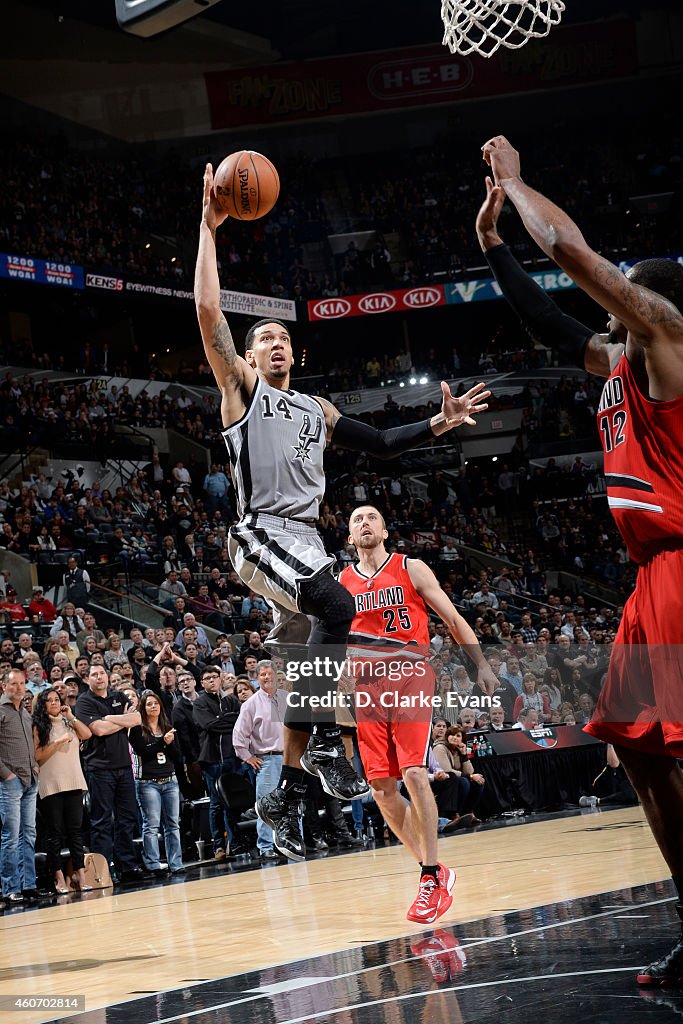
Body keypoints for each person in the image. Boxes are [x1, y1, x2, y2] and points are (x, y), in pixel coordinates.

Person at [195, 164, 490, 859]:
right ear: (247, 355)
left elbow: (384, 443)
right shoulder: (241, 391)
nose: (274, 343)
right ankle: (328, 743)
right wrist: (208, 230)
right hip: (259, 533)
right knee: (338, 608)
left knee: (311, 659)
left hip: (302, 541)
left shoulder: (318, 408)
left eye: (282, 337)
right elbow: (208, 315)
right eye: (262, 337)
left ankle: (290, 785)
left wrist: (438, 426)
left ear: (294, 352)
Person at [478, 136, 683, 985]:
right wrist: (491, 242)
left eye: (627, 289)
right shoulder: (610, 362)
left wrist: (519, 184)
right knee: (637, 755)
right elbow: (547, 313)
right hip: (648, 583)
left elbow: (568, 253)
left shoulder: (666, 339)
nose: (614, 297)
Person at [339, 505, 499, 922]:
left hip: (409, 672)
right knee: (381, 790)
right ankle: (435, 871)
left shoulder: (411, 567)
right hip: (366, 687)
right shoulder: (341, 582)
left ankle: (429, 875)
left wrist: (481, 664)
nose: (365, 523)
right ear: (349, 538)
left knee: (413, 772)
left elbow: (451, 617)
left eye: (373, 516)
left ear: (386, 529)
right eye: (357, 520)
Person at [74, 664, 145, 885]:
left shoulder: (119, 695)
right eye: (94, 674)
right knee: (102, 821)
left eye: (102, 673)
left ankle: (128, 865)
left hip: (124, 766)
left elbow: (136, 719)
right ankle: (103, 870)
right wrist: (119, 721)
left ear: (107, 676)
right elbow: (98, 730)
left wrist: (107, 719)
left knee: (127, 819)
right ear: (87, 679)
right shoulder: (84, 701)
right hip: (99, 768)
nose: (99, 677)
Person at [32, 688, 92, 894]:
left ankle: (81, 876)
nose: (54, 703)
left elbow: (87, 734)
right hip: (51, 785)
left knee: (76, 832)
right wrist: (57, 742)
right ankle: (59, 879)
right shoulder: (39, 725)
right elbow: (37, 755)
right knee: (55, 833)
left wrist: (71, 717)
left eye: (57, 699)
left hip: (74, 782)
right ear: (43, 705)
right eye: (49, 701)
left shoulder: (68, 722)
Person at [232, 661, 290, 862]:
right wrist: (248, 757)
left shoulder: (287, 698)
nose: (267, 677)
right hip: (267, 759)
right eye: (263, 674)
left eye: (270, 673)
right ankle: (265, 846)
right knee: (267, 805)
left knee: (291, 803)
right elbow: (239, 737)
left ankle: (291, 842)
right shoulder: (251, 704)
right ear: (257, 678)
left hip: (290, 758)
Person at [129, 691, 184, 876]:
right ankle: (152, 864)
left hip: (170, 780)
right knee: (151, 825)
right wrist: (163, 743)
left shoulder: (167, 727)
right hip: (147, 782)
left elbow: (177, 756)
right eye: (149, 704)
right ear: (143, 709)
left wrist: (170, 743)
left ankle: (176, 863)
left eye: (156, 703)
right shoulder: (137, 729)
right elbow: (144, 751)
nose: (153, 706)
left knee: (173, 825)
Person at [0, 669, 41, 904]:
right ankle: (10, 888)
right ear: (4, 686)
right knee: (11, 836)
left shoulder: (25, 713)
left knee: (29, 834)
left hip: (30, 780)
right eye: (13, 684)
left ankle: (29, 885)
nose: (18, 687)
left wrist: (34, 764)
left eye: (22, 684)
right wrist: (6, 775)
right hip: (10, 783)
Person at [192, 665, 241, 860]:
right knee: (216, 804)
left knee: (234, 803)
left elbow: (240, 722)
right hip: (212, 759)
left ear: (221, 679)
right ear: (202, 683)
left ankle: (236, 843)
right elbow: (210, 725)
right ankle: (218, 846)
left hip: (233, 757)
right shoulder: (200, 703)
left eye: (215, 677)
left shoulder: (231, 700)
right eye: (207, 678)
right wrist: (226, 721)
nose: (212, 680)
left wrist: (223, 720)